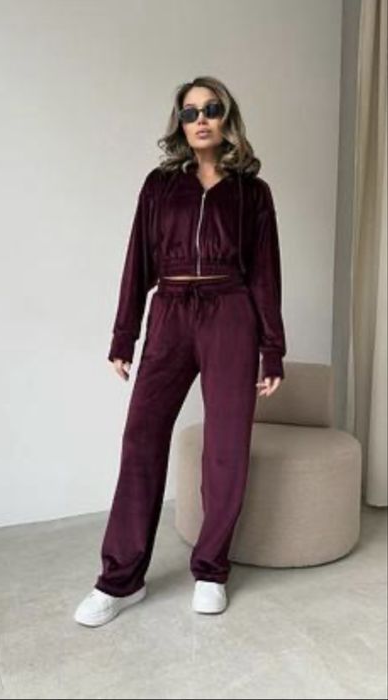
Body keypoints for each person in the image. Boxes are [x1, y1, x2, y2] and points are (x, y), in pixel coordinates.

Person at [74, 75, 287, 627]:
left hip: (231, 313)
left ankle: (211, 571)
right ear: (180, 122)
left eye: (211, 109)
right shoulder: (160, 185)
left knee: (226, 446)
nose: (201, 119)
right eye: (190, 111)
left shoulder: (253, 193)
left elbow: (265, 275)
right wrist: (124, 335)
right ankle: (120, 580)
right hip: (170, 311)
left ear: (226, 117)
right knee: (141, 437)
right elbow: (136, 263)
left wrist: (272, 348)